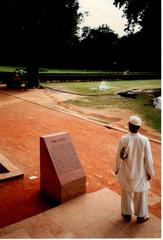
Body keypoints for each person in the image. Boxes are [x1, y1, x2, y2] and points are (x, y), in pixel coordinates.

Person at [114, 115, 154, 223]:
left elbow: (118, 155)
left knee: (126, 193)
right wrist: (150, 172)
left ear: (130, 126)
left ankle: (126, 215)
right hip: (140, 173)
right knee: (141, 194)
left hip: (126, 172)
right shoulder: (145, 140)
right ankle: (141, 217)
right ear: (139, 127)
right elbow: (148, 159)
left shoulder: (124, 139)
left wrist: (116, 168)